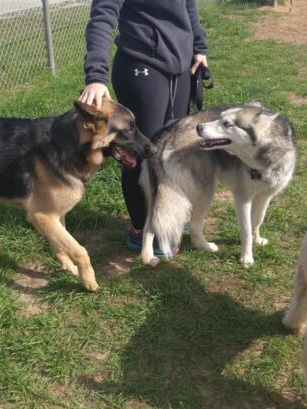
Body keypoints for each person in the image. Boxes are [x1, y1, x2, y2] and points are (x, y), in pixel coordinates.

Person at [78, 0, 209, 255]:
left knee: (173, 150)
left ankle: (165, 218)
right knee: (142, 152)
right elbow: (102, 16)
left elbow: (188, 6)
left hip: (181, 65)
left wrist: (198, 46)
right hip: (141, 62)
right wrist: (96, 75)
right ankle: (141, 229)